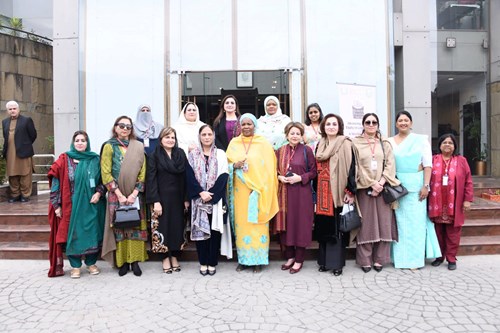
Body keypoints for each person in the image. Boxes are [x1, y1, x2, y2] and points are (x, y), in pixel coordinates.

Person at [47, 131, 106, 278]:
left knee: (92, 233)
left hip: (91, 205)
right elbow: (56, 183)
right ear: (73, 143)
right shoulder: (64, 160)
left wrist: (98, 193)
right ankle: (75, 265)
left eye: (83, 140)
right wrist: (56, 206)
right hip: (70, 206)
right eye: (77, 140)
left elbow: (103, 181)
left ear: (88, 143)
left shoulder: (95, 160)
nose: (80, 143)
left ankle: (91, 263)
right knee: (73, 234)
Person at [388, 111, 441, 269]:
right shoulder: (389, 141)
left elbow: (427, 165)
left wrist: (426, 186)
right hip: (396, 188)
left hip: (417, 188)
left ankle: (414, 261)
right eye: (400, 120)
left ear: (411, 123)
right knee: (399, 224)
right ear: (396, 124)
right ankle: (399, 259)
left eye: (406, 120)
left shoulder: (421, 140)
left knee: (416, 225)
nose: (403, 123)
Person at [226, 113, 279, 273]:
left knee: (258, 225)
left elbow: (270, 169)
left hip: (258, 191)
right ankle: (243, 260)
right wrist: (234, 166)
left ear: (254, 125)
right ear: (239, 126)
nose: (246, 127)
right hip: (240, 192)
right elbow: (226, 165)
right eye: (244, 124)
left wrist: (261, 187)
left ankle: (258, 260)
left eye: (249, 124)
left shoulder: (263, 144)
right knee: (242, 225)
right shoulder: (233, 143)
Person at [100, 116, 148, 277]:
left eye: (128, 126)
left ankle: (134, 262)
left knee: (135, 227)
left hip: (135, 195)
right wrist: (119, 195)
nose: (125, 129)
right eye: (122, 126)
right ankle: (122, 263)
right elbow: (105, 172)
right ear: (115, 128)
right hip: (116, 195)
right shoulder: (109, 146)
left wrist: (135, 193)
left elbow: (143, 171)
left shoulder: (138, 146)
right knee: (120, 227)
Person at [352, 113, 399, 273]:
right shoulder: (355, 143)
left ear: (378, 125)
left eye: (374, 122)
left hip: (383, 188)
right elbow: (355, 165)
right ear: (363, 124)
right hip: (364, 189)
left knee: (384, 224)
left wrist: (381, 182)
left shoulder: (384, 143)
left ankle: (380, 259)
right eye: (368, 122)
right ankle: (365, 260)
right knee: (366, 225)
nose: (371, 124)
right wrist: (371, 183)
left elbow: (390, 164)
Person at [186, 125, 232, 276]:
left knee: (214, 231)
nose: (206, 137)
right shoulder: (192, 155)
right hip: (198, 200)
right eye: (203, 134)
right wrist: (200, 192)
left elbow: (224, 175)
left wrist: (210, 195)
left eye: (209, 134)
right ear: (199, 137)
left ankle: (212, 262)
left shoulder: (220, 153)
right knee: (200, 231)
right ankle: (203, 262)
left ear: (213, 136)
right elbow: (189, 175)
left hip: (215, 200)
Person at [314, 114, 356, 276]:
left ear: (339, 127)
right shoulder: (321, 143)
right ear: (323, 126)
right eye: (328, 124)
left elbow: (353, 168)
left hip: (338, 191)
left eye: (334, 124)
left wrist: (350, 191)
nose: (331, 126)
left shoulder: (345, 143)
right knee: (324, 227)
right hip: (321, 192)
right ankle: (324, 261)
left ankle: (336, 264)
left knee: (337, 229)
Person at [146, 127, 189, 274]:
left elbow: (185, 177)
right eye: (167, 137)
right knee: (162, 227)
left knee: (177, 227)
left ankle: (175, 257)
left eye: (173, 137)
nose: (170, 140)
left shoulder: (180, 154)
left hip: (178, 198)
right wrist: (155, 201)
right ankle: (164, 258)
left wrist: (186, 198)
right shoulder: (154, 155)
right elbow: (150, 179)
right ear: (161, 139)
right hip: (161, 199)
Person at [275, 122, 317, 274]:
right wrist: (279, 177)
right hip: (284, 195)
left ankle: (299, 260)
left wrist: (300, 178)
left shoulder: (307, 151)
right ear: (287, 135)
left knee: (300, 226)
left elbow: (314, 172)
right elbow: (273, 171)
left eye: (297, 134)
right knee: (287, 226)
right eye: (292, 133)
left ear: (301, 136)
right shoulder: (280, 151)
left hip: (301, 194)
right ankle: (290, 257)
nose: (294, 136)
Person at [428, 134, 473, 270]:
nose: (447, 145)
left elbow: (468, 181)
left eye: (450, 143)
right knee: (438, 232)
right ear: (440, 145)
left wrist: (467, 200)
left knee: (453, 233)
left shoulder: (461, 161)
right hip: (437, 203)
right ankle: (439, 256)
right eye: (444, 142)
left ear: (455, 146)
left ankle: (451, 258)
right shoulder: (433, 159)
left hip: (455, 203)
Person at [2, 101, 37, 203]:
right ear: (7, 111)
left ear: (18, 109)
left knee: (25, 174)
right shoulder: (4, 122)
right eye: (10, 109)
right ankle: (15, 194)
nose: (12, 111)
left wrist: (24, 145)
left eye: (14, 108)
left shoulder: (26, 120)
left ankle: (25, 195)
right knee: (12, 174)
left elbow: (33, 135)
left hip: (24, 152)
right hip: (10, 152)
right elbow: (5, 137)